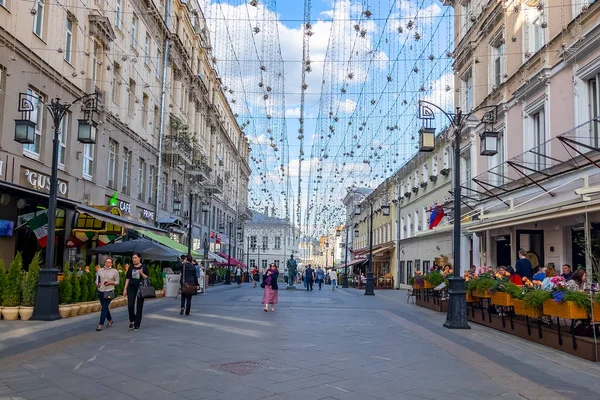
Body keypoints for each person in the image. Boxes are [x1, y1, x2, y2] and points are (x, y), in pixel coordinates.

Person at [123, 252, 149, 331]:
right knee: (130, 306)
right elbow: (128, 278)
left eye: (135, 258)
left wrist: (142, 273)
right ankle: (132, 320)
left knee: (139, 306)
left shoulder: (144, 267)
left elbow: (147, 277)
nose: (134, 259)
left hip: (140, 288)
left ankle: (137, 324)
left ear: (139, 258)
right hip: (131, 288)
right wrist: (125, 288)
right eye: (133, 258)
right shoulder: (131, 267)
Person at [96, 257, 119, 331]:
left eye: (109, 262)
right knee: (104, 307)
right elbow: (97, 279)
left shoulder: (114, 271)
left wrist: (111, 283)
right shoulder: (100, 270)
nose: (107, 263)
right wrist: (97, 284)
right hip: (101, 290)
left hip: (109, 291)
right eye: (106, 262)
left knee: (104, 308)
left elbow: (117, 282)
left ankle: (100, 324)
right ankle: (110, 320)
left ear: (112, 263)